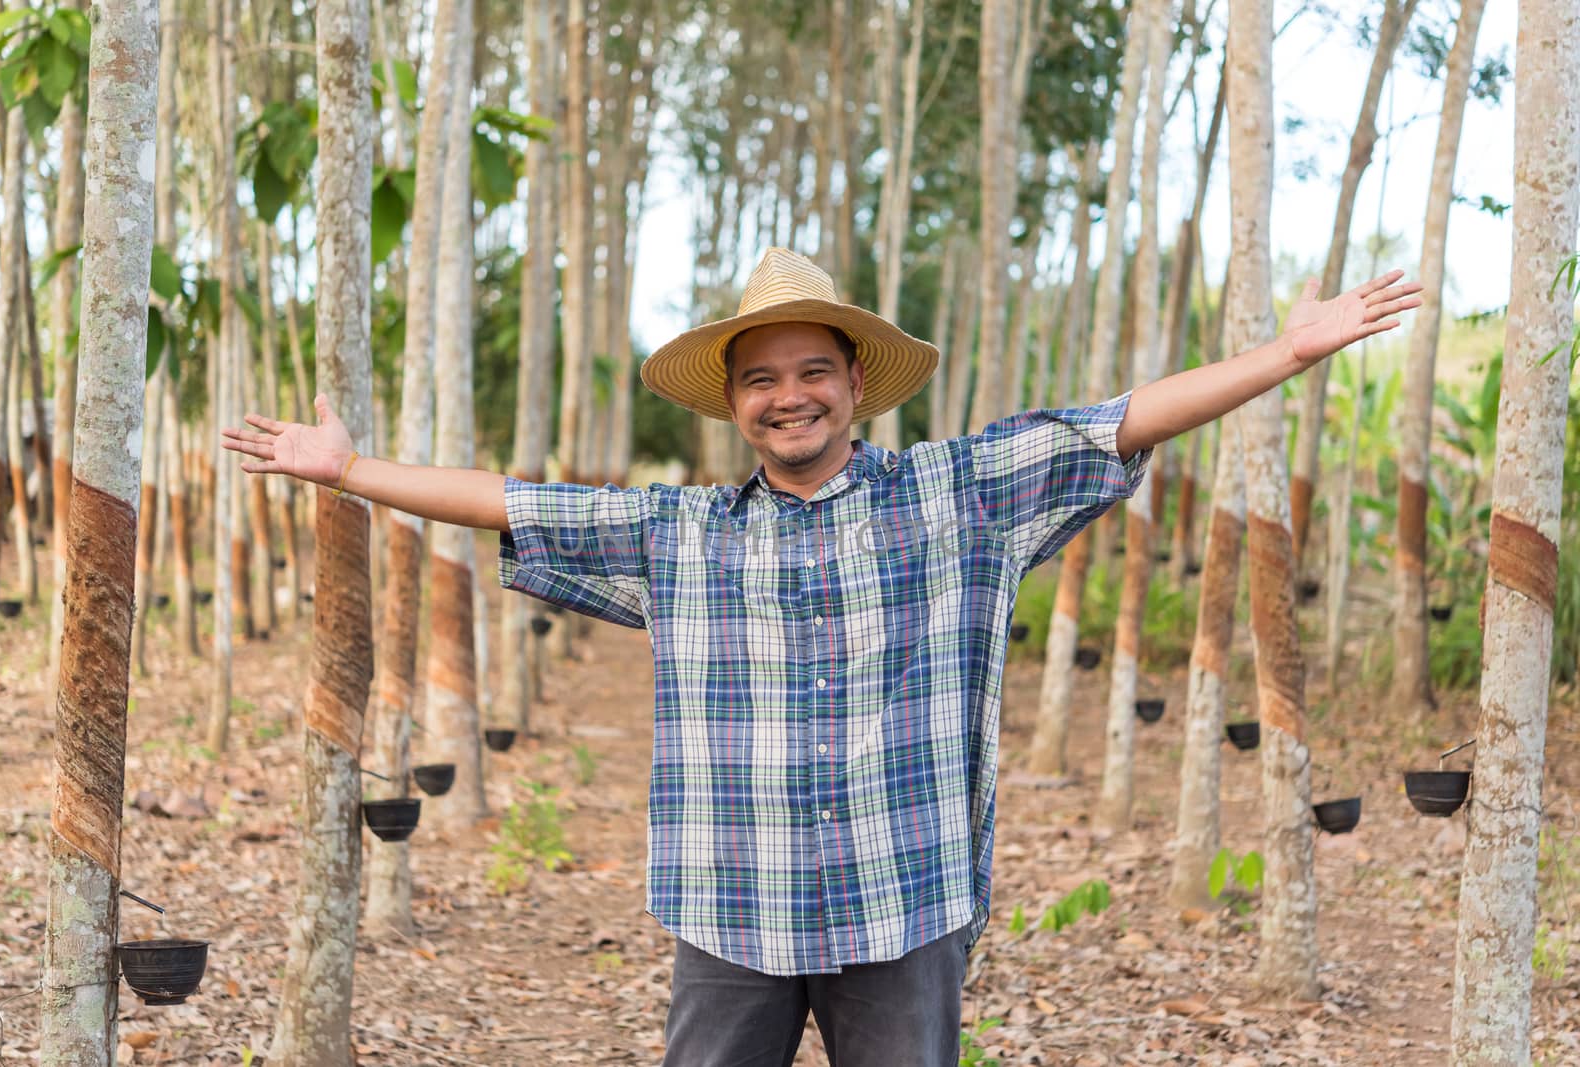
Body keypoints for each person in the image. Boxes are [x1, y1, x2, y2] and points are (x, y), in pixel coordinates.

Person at [223, 247, 1421, 1066]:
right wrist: (346, 469)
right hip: (729, 912)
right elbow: (512, 501)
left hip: (903, 906)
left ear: (856, 383)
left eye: (810, 372)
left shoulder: (962, 499)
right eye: (760, 379)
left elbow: (1121, 418)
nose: (787, 396)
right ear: (731, 405)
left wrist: (1289, 352)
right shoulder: (678, 534)